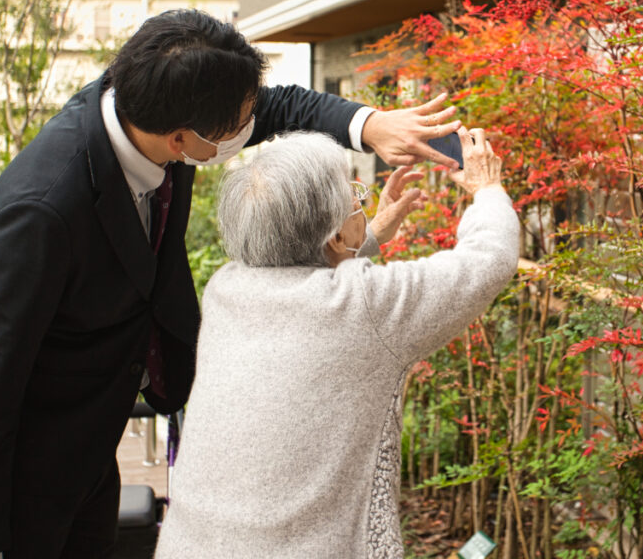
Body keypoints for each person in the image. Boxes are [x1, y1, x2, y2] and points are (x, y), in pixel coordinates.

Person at [0, 9, 464, 559]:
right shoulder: (42, 209)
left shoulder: (152, 109)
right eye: (238, 123)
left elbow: (273, 107)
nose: (253, 126)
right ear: (184, 139)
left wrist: (371, 125)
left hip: (91, 437)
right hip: (16, 466)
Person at [153, 127, 519, 559]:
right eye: (355, 198)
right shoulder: (366, 306)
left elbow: (308, 281)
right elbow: (488, 261)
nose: (361, 202)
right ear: (336, 237)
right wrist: (488, 187)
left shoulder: (225, 290)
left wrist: (370, 232)